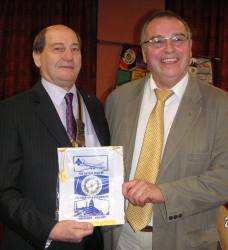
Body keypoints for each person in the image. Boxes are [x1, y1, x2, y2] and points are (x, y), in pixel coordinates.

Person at [104, 10, 228, 250]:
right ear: (144, 52)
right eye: (157, 41)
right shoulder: (117, 100)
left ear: (190, 47)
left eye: (178, 39)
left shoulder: (221, 105)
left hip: (185, 241)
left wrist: (163, 192)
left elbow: (225, 179)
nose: (169, 49)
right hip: (122, 239)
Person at [0, 24, 109, 250]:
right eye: (58, 48)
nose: (69, 56)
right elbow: (4, 190)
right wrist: (48, 229)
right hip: (38, 242)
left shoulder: (95, 106)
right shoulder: (11, 112)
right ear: (37, 57)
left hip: (93, 242)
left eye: (75, 49)